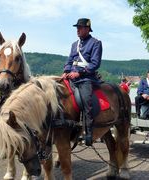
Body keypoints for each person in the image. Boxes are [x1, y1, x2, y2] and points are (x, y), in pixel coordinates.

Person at [62, 18, 103, 146]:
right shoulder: (75, 44)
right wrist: (66, 71)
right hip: (72, 77)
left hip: (86, 78)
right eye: (77, 28)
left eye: (80, 28)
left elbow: (95, 64)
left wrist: (79, 73)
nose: (78, 30)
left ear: (87, 28)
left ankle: (89, 132)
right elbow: (69, 61)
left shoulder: (96, 43)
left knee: (86, 101)